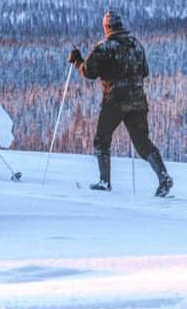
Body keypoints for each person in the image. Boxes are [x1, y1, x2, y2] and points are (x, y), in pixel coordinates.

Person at [69, 11, 173, 197]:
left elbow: (89, 72)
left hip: (115, 101)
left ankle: (104, 181)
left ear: (106, 27)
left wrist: (77, 61)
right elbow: (146, 71)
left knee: (102, 139)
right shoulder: (136, 45)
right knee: (142, 143)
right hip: (138, 101)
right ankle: (163, 177)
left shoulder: (104, 47)